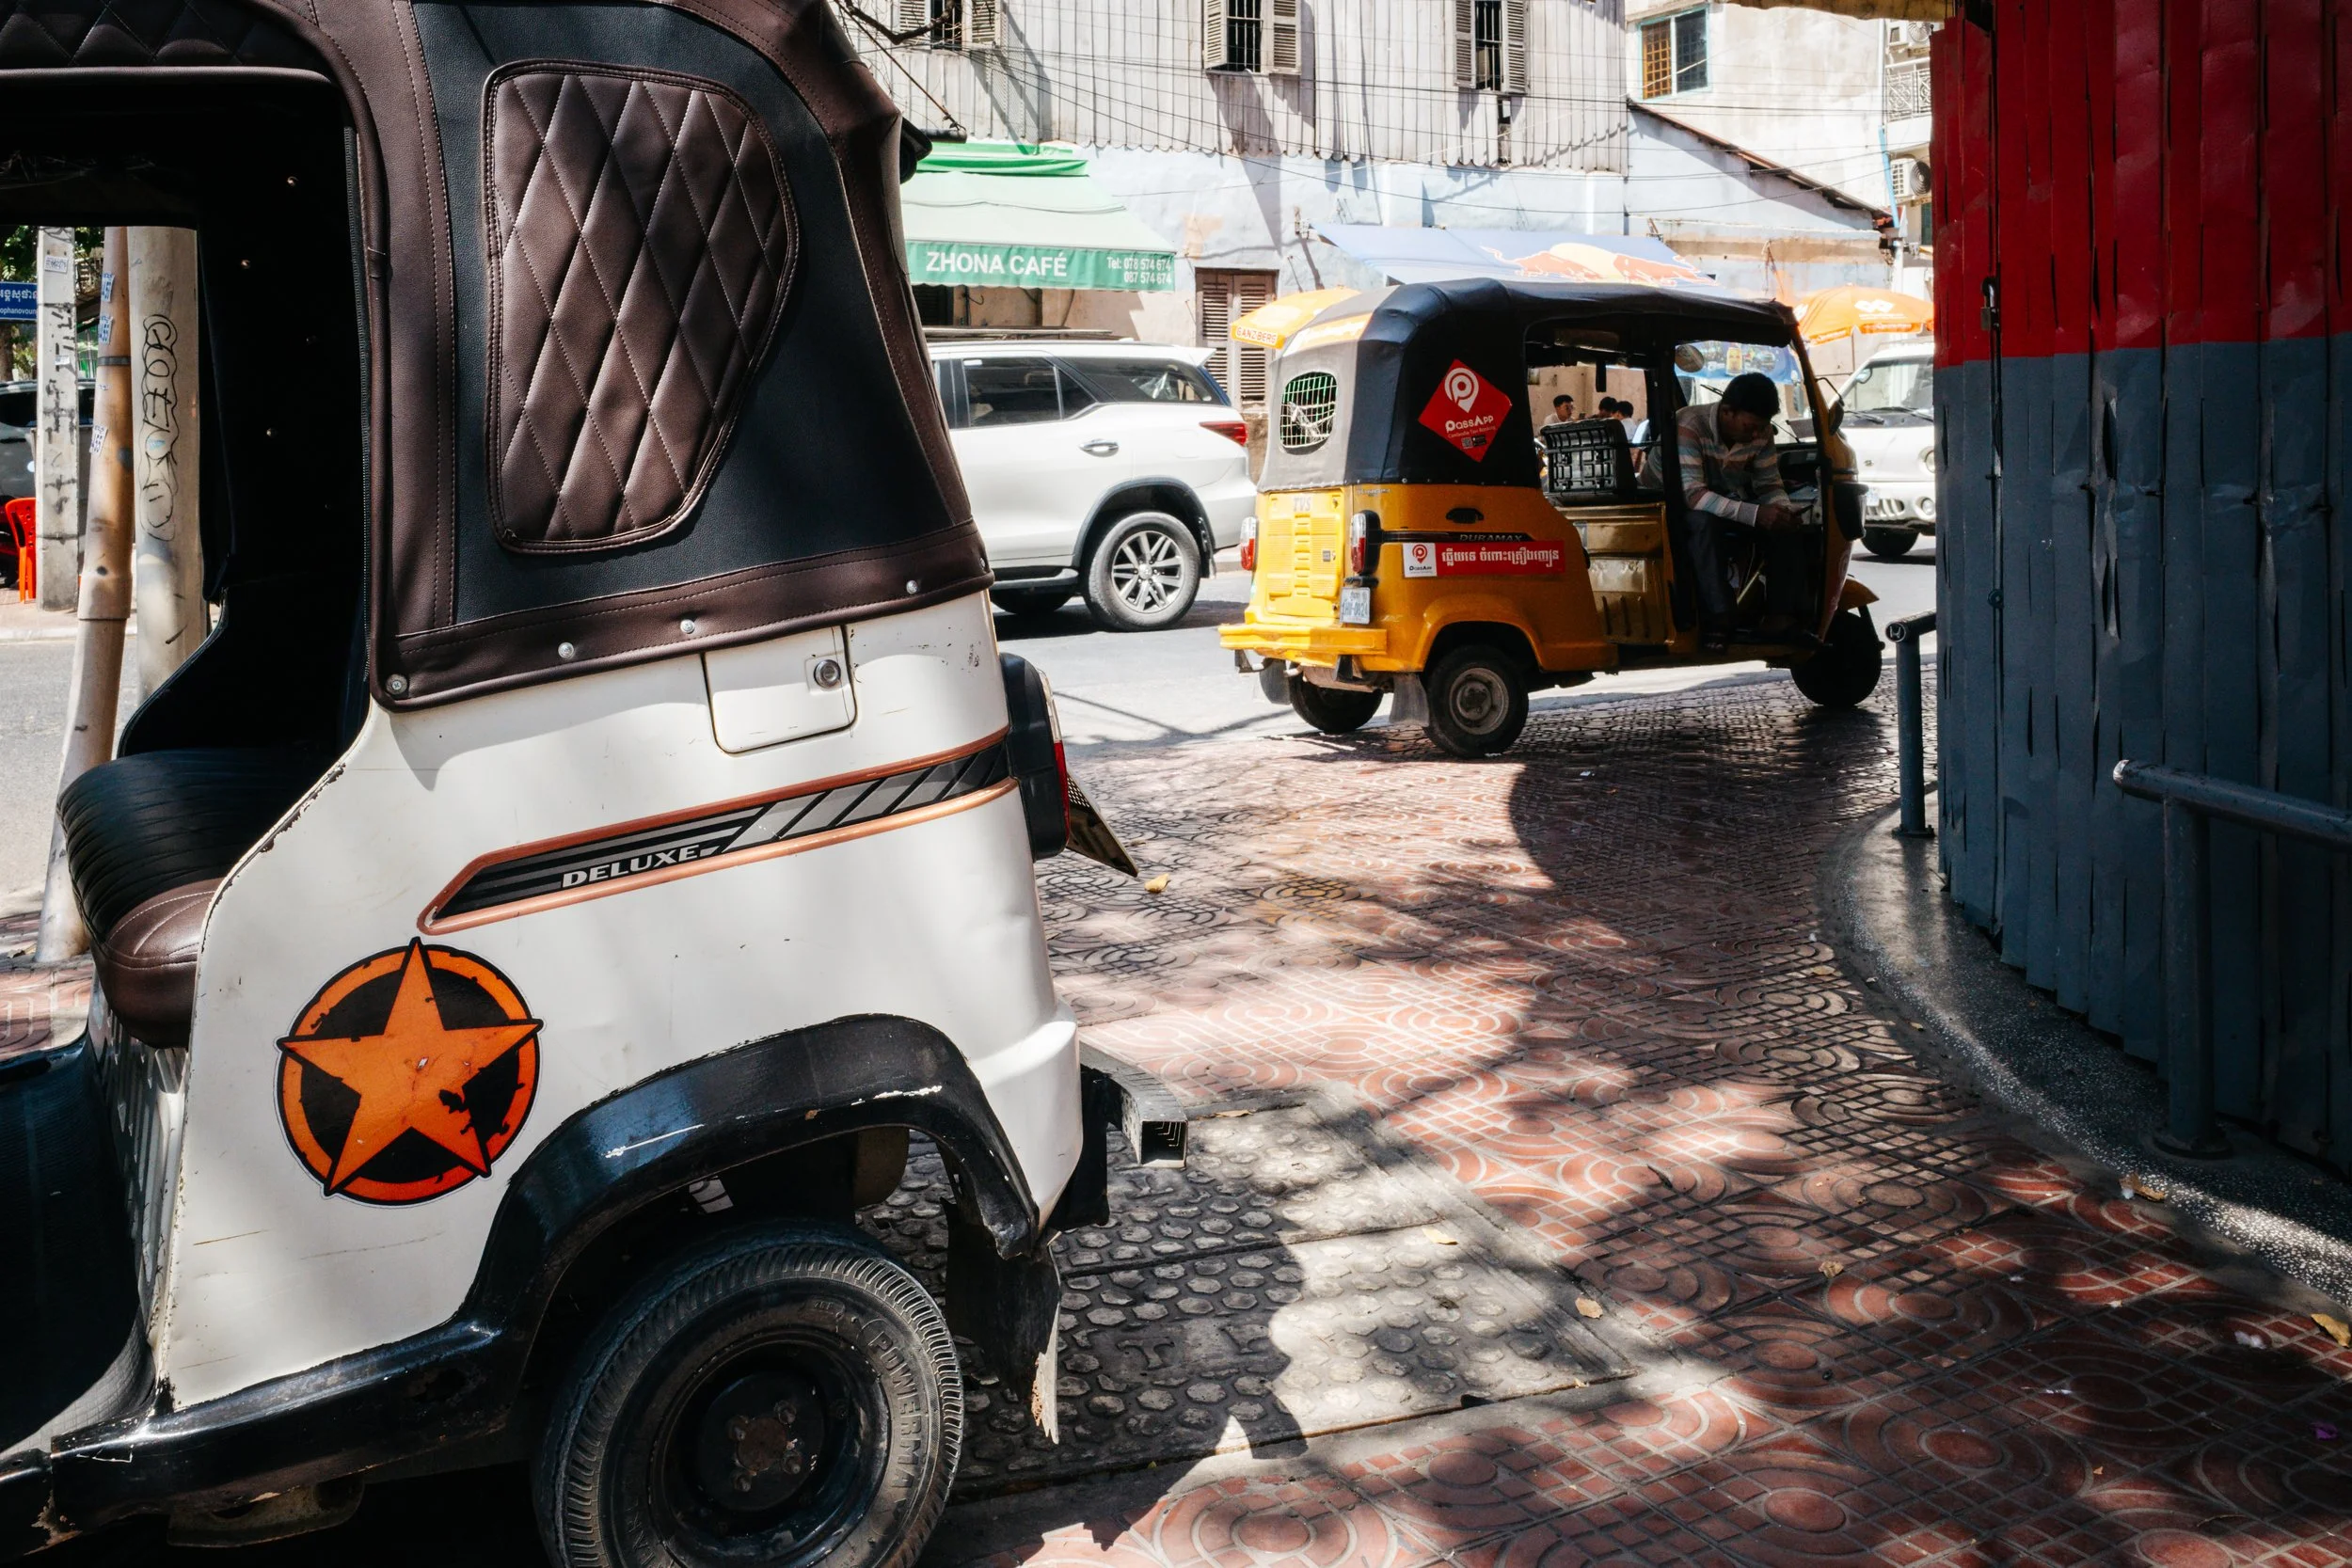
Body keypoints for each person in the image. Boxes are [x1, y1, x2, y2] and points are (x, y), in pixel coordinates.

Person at [1675, 372, 1809, 651]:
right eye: (1751, 426)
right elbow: (1693, 495)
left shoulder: (1760, 434)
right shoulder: (1690, 425)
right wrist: (1757, 514)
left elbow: (1769, 484)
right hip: (1674, 503)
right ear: (1727, 412)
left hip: (1723, 500)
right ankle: (1718, 619)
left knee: (1786, 528)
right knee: (1703, 524)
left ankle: (1779, 618)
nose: (1757, 434)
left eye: (1763, 427)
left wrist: (1782, 511)